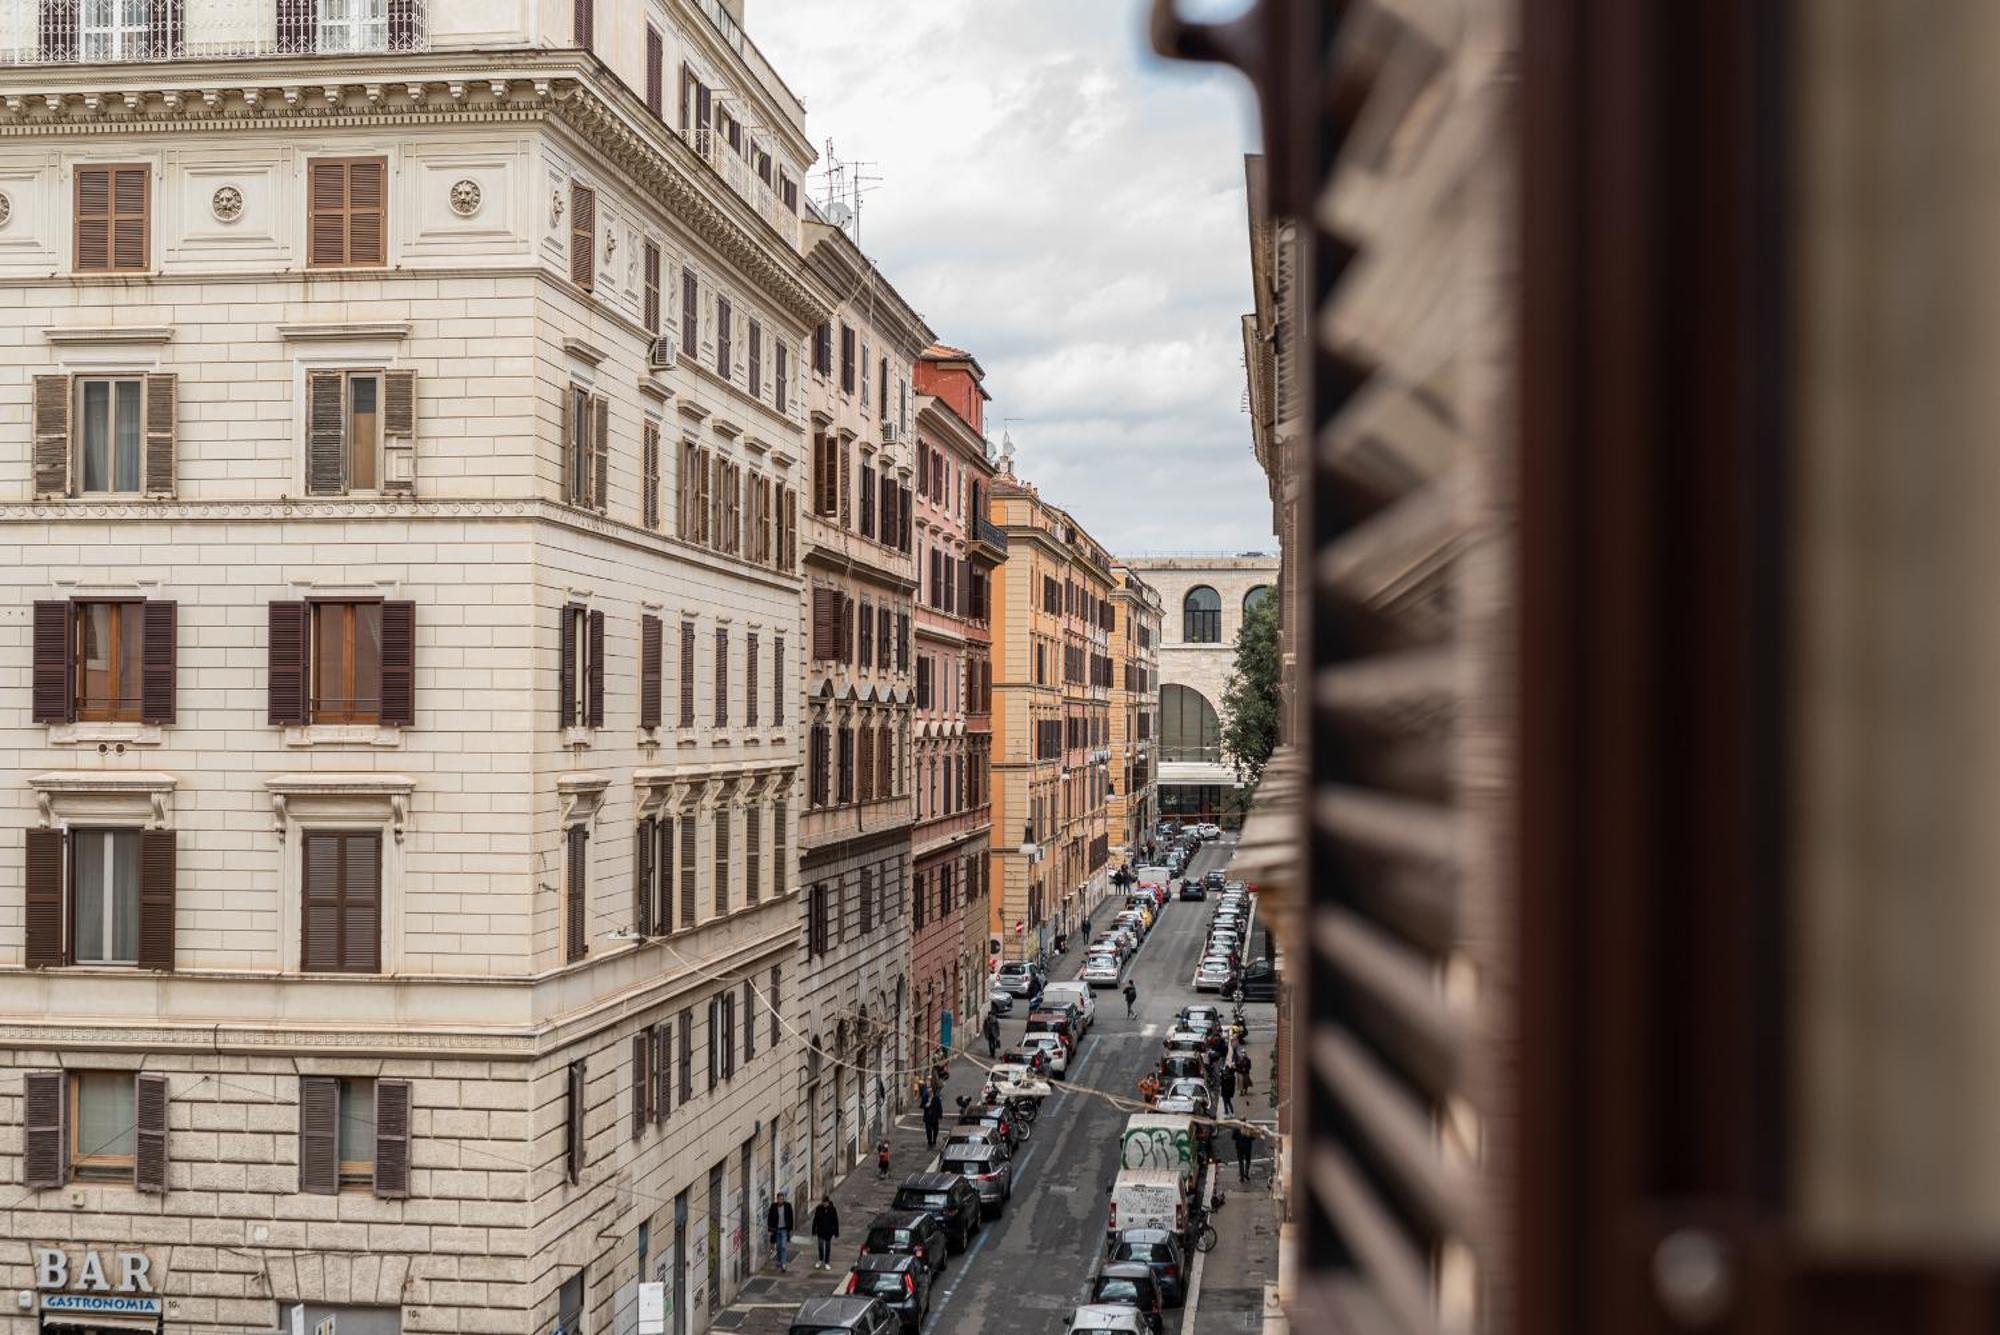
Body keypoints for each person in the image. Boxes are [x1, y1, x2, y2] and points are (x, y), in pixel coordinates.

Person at [765, 1191, 795, 1271]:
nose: (781, 1201)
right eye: (780, 1199)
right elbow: (770, 1219)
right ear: (777, 1199)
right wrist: (770, 1230)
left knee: (783, 1246)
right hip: (776, 1230)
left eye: (782, 1199)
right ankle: (778, 1261)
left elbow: (791, 1217)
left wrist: (790, 1229)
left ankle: (783, 1263)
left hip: (784, 1229)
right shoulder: (773, 1206)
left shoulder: (788, 1206)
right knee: (778, 1246)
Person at [810, 1195, 840, 1270]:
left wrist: (836, 1232)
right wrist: (814, 1230)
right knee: (820, 1245)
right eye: (823, 1202)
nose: (824, 1204)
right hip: (820, 1230)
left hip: (828, 1231)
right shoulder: (819, 1209)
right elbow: (815, 1220)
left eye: (825, 1203)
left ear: (828, 1202)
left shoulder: (832, 1209)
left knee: (827, 1246)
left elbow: (835, 1221)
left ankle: (827, 1262)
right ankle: (820, 1259)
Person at [922, 1083, 943, 1149]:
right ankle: (929, 1142)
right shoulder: (925, 1098)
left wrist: (940, 1115)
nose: (929, 1093)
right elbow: (921, 1105)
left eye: (930, 1092)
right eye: (928, 1092)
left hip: (934, 1117)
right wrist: (926, 1105)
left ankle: (934, 1141)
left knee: (935, 1130)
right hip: (927, 1117)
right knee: (928, 1130)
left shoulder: (936, 1098)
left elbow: (939, 1107)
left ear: (932, 1092)